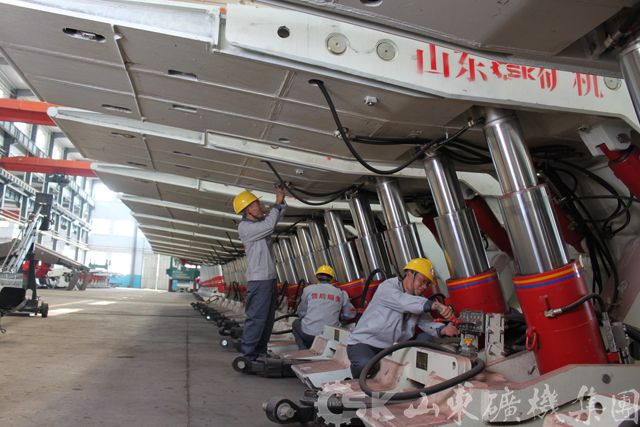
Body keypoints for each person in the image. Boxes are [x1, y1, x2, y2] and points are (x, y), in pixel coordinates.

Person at [346, 257, 459, 379]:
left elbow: (426, 322)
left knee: (425, 339)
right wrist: (436, 305)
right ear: (409, 274)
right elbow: (404, 302)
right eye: (422, 281)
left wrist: (444, 330)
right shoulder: (388, 287)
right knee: (364, 365)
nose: (424, 286)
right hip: (365, 343)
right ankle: (357, 383)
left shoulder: (417, 300)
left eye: (427, 284)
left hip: (393, 347)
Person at [233, 186, 286, 361]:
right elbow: (270, 225)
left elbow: (274, 219)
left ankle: (260, 352)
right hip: (259, 281)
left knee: (268, 319)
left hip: (268, 279)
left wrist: (281, 202)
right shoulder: (245, 227)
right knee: (256, 318)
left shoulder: (258, 225)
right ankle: (247, 355)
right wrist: (277, 203)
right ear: (248, 209)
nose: (260, 206)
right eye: (256, 204)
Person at [292, 265, 356, 349]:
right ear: (332, 278)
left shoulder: (308, 289)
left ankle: (303, 349)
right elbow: (350, 314)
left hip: (310, 335)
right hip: (330, 336)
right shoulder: (340, 293)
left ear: (317, 277)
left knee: (295, 323)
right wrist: (340, 317)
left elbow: (301, 311)